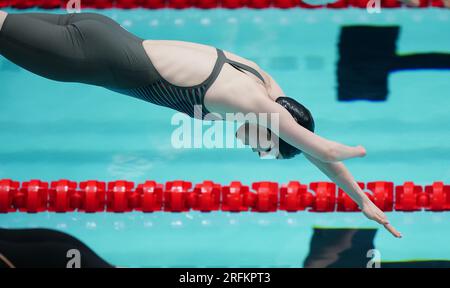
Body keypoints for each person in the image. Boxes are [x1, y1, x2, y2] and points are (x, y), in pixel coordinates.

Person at [0, 11, 401, 238]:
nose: (250, 148)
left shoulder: (262, 82)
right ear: (267, 125)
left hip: (102, 29)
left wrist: (361, 198)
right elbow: (322, 150)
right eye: (260, 146)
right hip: (83, 56)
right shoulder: (248, 101)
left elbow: (312, 153)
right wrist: (351, 151)